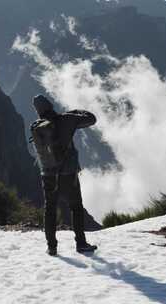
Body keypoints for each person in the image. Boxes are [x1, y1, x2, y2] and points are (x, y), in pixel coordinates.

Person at [30, 94, 98, 256]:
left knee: (50, 209)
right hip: (68, 174)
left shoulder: (35, 127)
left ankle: (52, 247)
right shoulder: (66, 120)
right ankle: (81, 244)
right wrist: (74, 112)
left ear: (38, 112)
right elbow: (91, 118)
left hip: (47, 174)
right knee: (76, 207)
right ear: (51, 105)